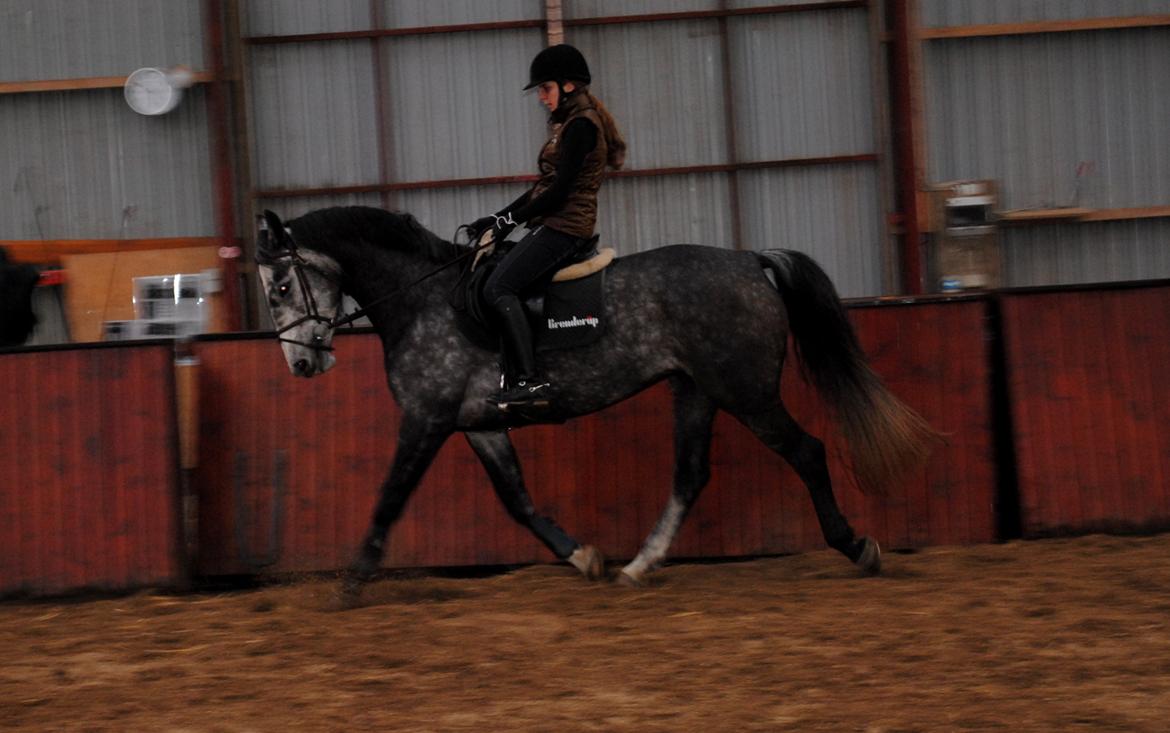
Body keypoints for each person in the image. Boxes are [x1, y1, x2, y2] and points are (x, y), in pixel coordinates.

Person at [466, 43, 626, 411]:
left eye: (545, 89)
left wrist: (508, 222)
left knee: (498, 287)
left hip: (566, 226)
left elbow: (557, 193)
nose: (541, 97)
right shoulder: (571, 124)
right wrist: (497, 219)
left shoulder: (582, 126)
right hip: (556, 221)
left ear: (568, 85)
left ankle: (529, 380)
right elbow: (542, 187)